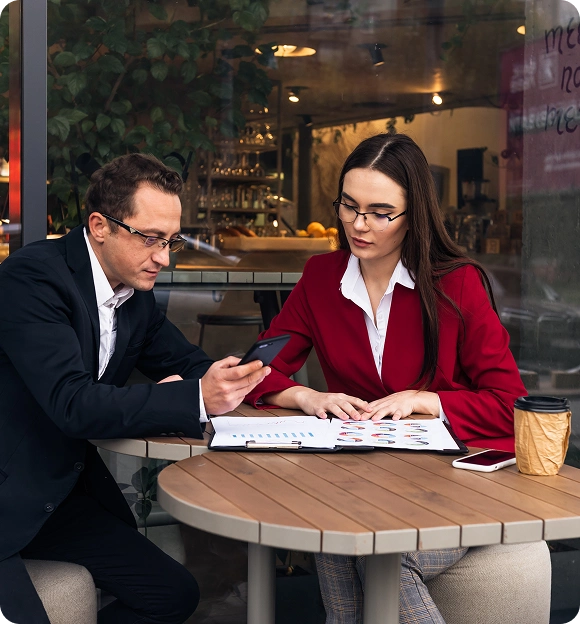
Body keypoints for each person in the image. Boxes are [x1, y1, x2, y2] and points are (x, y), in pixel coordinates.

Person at [244, 133, 526, 623]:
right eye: (349, 206)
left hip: (451, 487)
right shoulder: (321, 278)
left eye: (379, 212)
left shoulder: (457, 283)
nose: (358, 224)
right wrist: (305, 395)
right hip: (356, 484)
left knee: (376, 561)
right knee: (336, 535)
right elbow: (257, 371)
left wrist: (427, 400)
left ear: (413, 215)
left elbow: (510, 402)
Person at [0, 153, 270, 624]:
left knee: (173, 594)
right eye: (150, 239)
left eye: (171, 241)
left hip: (55, 498)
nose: (163, 258)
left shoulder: (133, 297)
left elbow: (190, 363)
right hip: (8, 497)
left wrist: (246, 383)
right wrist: (190, 396)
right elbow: (73, 403)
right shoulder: (33, 278)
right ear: (100, 226)